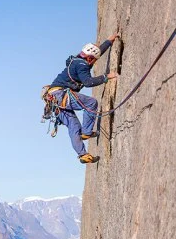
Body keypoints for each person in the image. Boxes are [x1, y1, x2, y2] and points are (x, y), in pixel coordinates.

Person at [48, 33, 121, 164]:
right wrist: (106, 77)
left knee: (74, 126)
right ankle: (87, 132)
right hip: (61, 95)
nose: (93, 62)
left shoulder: (78, 59)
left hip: (54, 100)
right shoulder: (82, 64)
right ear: (89, 58)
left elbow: (97, 53)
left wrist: (110, 40)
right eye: (93, 60)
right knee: (91, 103)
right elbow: (87, 82)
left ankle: (83, 155)